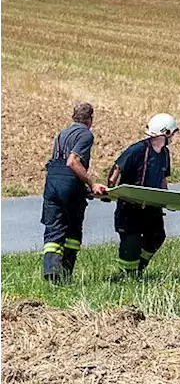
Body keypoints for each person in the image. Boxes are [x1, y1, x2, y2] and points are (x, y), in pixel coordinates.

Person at [40, 102, 108, 284]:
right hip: (68, 184)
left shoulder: (61, 134)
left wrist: (82, 188)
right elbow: (72, 162)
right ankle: (66, 273)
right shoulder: (86, 134)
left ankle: (52, 274)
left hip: (52, 183)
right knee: (72, 231)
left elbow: (58, 162)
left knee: (54, 228)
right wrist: (92, 184)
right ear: (90, 119)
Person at [107, 114, 178, 279]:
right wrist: (112, 190)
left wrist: (167, 199)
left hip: (151, 206)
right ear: (165, 133)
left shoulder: (165, 153)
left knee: (157, 236)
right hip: (131, 206)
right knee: (130, 242)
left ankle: (139, 267)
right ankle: (126, 276)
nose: (174, 137)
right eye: (173, 133)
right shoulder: (137, 150)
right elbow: (117, 168)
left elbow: (162, 178)